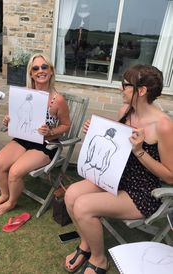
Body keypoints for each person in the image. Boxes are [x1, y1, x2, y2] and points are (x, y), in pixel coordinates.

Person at [64, 64, 173, 274]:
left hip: (143, 191)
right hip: (115, 177)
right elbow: (117, 146)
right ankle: (86, 244)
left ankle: (99, 259)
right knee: (71, 195)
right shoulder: (125, 111)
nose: (120, 89)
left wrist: (140, 151)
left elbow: (169, 176)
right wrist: (95, 132)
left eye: (125, 85)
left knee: (83, 206)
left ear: (141, 91)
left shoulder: (163, 126)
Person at [0, 53, 71, 215]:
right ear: (31, 73)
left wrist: (51, 131)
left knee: (15, 172)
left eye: (44, 67)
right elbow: (18, 118)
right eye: (35, 68)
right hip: (23, 139)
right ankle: (5, 194)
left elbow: (66, 126)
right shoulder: (24, 94)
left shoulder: (57, 100)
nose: (40, 71)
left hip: (46, 144)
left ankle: (11, 202)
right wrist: (8, 121)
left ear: (51, 71)